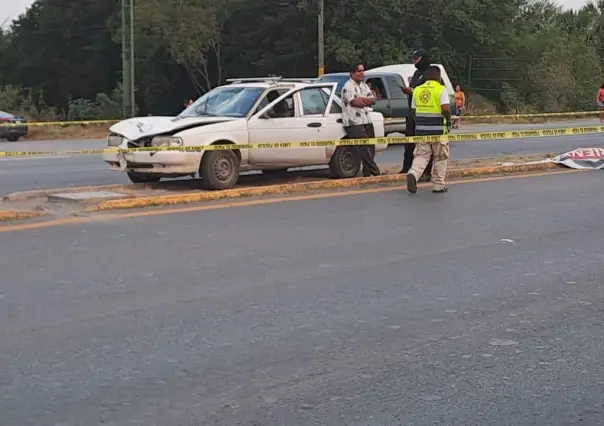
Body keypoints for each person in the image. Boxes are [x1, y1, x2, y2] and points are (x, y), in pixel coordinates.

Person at [406, 66, 452, 194]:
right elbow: (445, 108)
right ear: (438, 76)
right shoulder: (440, 89)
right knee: (440, 157)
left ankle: (413, 173)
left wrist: (420, 123)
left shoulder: (417, 90)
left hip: (421, 130)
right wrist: (448, 120)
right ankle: (438, 185)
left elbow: (413, 111)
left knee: (421, 155)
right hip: (438, 130)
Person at [341, 63, 381, 177]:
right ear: (352, 73)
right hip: (352, 122)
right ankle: (375, 171)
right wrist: (366, 100)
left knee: (371, 146)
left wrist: (363, 100)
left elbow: (373, 100)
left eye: (363, 71)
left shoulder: (364, 85)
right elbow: (355, 102)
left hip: (366, 119)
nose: (362, 73)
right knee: (363, 147)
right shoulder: (348, 86)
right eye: (359, 71)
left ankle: (367, 173)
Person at [400, 48, 432, 178]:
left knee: (425, 145)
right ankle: (407, 168)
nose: (414, 61)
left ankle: (426, 171)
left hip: (424, 114)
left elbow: (427, 93)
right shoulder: (416, 73)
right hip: (412, 112)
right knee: (409, 142)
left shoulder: (430, 74)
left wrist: (412, 91)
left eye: (416, 59)